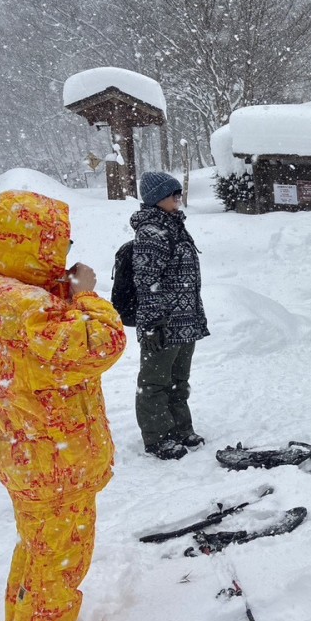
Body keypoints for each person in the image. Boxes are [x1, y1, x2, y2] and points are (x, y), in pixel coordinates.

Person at [0, 190, 126, 621]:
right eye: (57, 243)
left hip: (21, 451)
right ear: (32, 242)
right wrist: (85, 293)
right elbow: (101, 343)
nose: (64, 254)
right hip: (54, 460)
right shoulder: (23, 307)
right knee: (58, 561)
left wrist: (60, 295)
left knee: (36, 547)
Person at [132, 172, 209, 459]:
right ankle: (157, 438)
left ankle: (180, 428)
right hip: (163, 322)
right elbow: (146, 280)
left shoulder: (174, 226)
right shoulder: (152, 231)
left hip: (184, 318)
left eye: (179, 193)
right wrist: (152, 323)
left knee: (179, 379)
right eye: (172, 194)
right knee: (155, 382)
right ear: (156, 199)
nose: (178, 199)